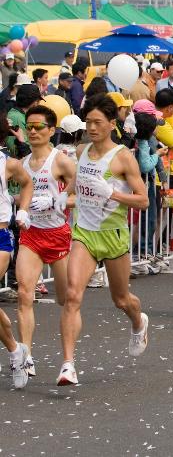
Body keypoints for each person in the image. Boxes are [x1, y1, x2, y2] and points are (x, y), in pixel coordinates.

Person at [60, 94, 151, 385]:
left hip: (113, 235)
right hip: (84, 234)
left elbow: (143, 201)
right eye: (88, 122)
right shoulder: (81, 151)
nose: (92, 127)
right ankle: (68, 364)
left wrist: (111, 193)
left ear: (113, 124)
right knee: (73, 296)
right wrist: (56, 199)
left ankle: (139, 322)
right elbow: (74, 194)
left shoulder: (123, 156)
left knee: (121, 299)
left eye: (98, 122)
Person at [10, 104, 76, 387]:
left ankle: (68, 360)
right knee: (24, 294)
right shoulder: (21, 163)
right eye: (30, 126)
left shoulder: (60, 161)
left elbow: (85, 193)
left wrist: (56, 200)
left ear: (51, 131)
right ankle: (26, 356)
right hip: (32, 236)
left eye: (39, 127)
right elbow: (14, 195)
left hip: (58, 235)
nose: (33, 131)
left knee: (65, 300)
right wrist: (20, 208)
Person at [1, 135, 34, 388]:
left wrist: (22, 209)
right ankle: (15, 350)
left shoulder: (8, 163)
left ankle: (15, 351)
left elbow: (27, 183)